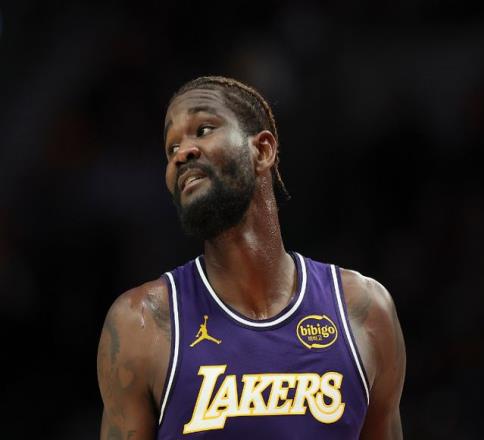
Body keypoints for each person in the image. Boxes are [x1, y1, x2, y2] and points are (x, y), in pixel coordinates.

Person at [97, 76, 406, 439]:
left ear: (262, 151)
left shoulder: (364, 310)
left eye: (203, 130)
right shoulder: (141, 323)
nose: (181, 154)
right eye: (171, 148)